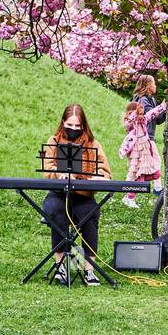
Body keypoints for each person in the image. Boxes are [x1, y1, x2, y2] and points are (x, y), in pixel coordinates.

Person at [42, 104, 111, 286]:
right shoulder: (53, 141)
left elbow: (105, 172)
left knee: (90, 214)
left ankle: (89, 270)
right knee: (55, 210)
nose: (72, 130)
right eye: (69, 126)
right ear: (63, 122)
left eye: (77, 127)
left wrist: (97, 177)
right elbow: (47, 169)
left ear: (83, 126)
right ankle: (60, 267)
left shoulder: (93, 144)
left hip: (83, 195)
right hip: (59, 195)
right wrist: (59, 173)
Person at [120, 101, 162, 207]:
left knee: (156, 173)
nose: (142, 111)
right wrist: (135, 114)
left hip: (146, 153)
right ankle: (129, 197)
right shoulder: (131, 123)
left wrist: (163, 106)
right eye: (139, 109)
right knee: (140, 176)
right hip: (137, 154)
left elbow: (152, 113)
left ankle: (130, 187)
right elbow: (129, 122)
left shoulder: (143, 120)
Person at [133, 75, 165, 144]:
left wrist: (165, 111)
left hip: (149, 137)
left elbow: (158, 120)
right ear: (148, 85)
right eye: (153, 84)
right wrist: (162, 107)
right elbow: (151, 114)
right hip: (144, 137)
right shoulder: (143, 100)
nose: (155, 86)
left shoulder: (152, 99)